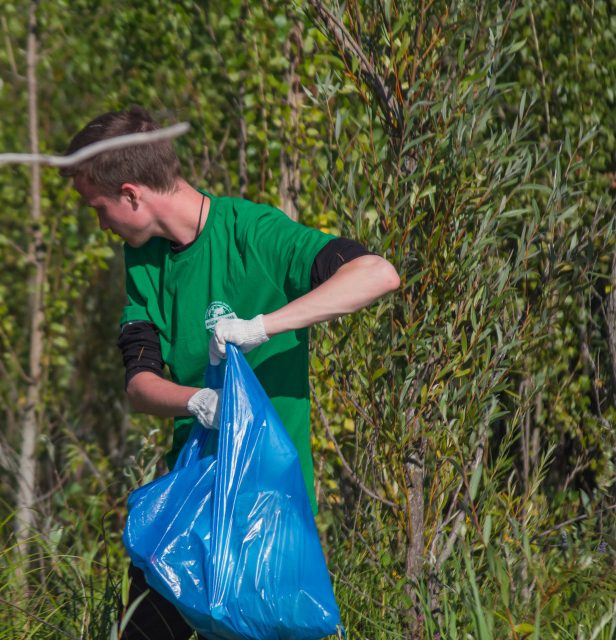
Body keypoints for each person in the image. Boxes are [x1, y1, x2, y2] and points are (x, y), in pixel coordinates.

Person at [61, 106, 399, 640]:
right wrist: (199, 401)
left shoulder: (253, 234)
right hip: (191, 505)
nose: (100, 224)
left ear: (131, 194)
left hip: (269, 511)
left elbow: (377, 274)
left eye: (98, 208)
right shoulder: (145, 261)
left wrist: (264, 326)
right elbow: (139, 384)